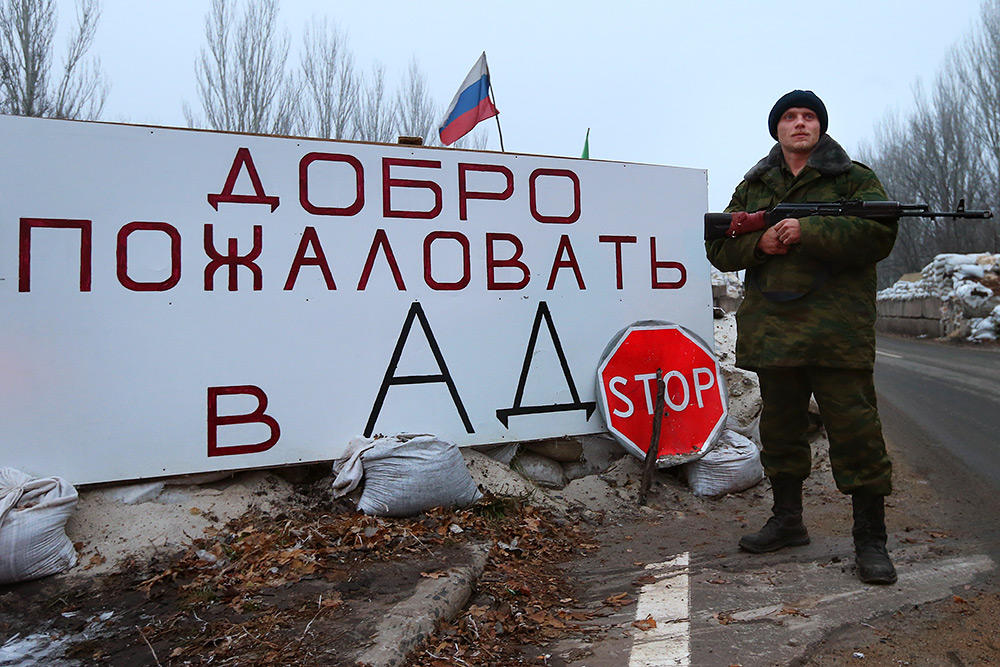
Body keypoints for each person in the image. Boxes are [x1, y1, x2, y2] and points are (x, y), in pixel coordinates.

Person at [705, 90, 898, 585]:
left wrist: (809, 231)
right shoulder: (755, 184)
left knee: (857, 435)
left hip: (838, 335)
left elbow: (879, 235)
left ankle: (870, 539)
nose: (799, 124)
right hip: (776, 333)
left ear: (820, 127)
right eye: (790, 117)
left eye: (808, 117)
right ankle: (788, 520)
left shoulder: (853, 178)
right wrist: (763, 243)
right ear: (777, 128)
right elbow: (718, 246)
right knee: (781, 433)